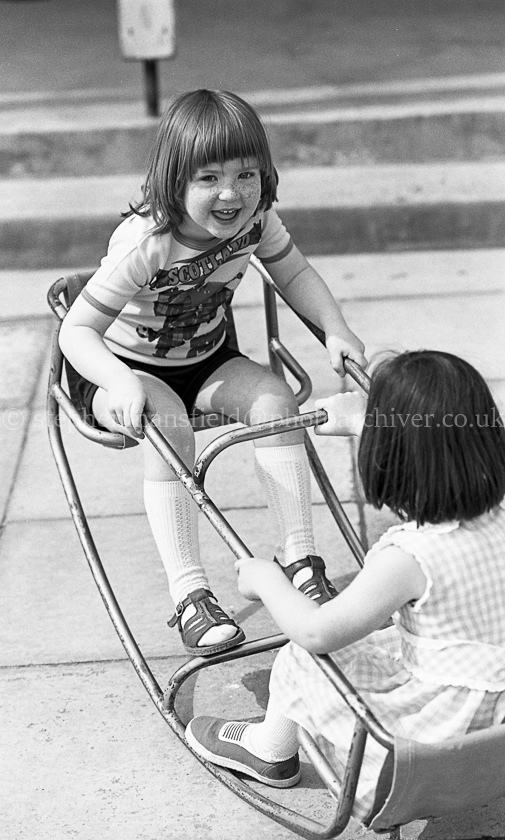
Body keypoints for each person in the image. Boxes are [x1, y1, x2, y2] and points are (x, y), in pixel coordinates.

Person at [58, 88, 366, 658]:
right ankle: (190, 595)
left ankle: (299, 559)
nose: (231, 193)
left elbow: (295, 274)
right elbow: (75, 332)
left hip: (206, 358)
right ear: (173, 181)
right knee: (168, 424)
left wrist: (335, 328)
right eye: (209, 179)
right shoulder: (147, 243)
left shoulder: (257, 220)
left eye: (247, 174)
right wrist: (119, 382)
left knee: (276, 402)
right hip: (118, 369)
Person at [186, 350, 505, 821]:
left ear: (384, 459)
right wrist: (365, 422)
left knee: (304, 654)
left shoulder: (409, 557)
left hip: (423, 755)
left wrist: (269, 581)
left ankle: (269, 748)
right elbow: (438, 442)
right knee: (394, 638)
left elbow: (316, 631)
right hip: (493, 733)